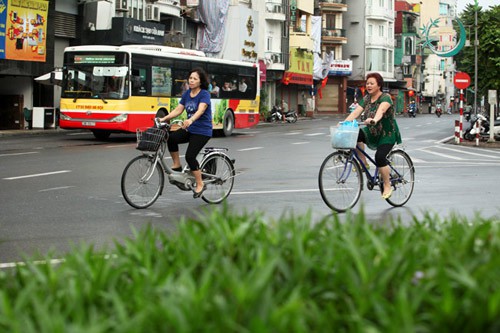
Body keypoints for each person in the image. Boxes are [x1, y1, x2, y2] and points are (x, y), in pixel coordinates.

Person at [343, 72, 402, 199]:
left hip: (387, 133)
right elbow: (356, 112)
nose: (368, 85)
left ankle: (387, 185)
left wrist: (374, 119)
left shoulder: (385, 97)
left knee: (380, 157)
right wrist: (344, 123)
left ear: (379, 85)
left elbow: (381, 111)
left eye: (372, 83)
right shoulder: (366, 99)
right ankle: (363, 162)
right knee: (354, 134)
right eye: (367, 83)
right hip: (372, 131)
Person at [157, 67, 212, 198]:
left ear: (200, 81)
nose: (191, 80)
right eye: (190, 78)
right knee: (170, 138)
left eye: (195, 79)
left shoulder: (204, 94)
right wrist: (164, 119)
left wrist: (191, 119)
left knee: (190, 156)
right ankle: (177, 164)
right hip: (190, 129)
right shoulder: (187, 94)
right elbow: (178, 110)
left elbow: (201, 110)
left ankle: (200, 184)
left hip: (202, 131)